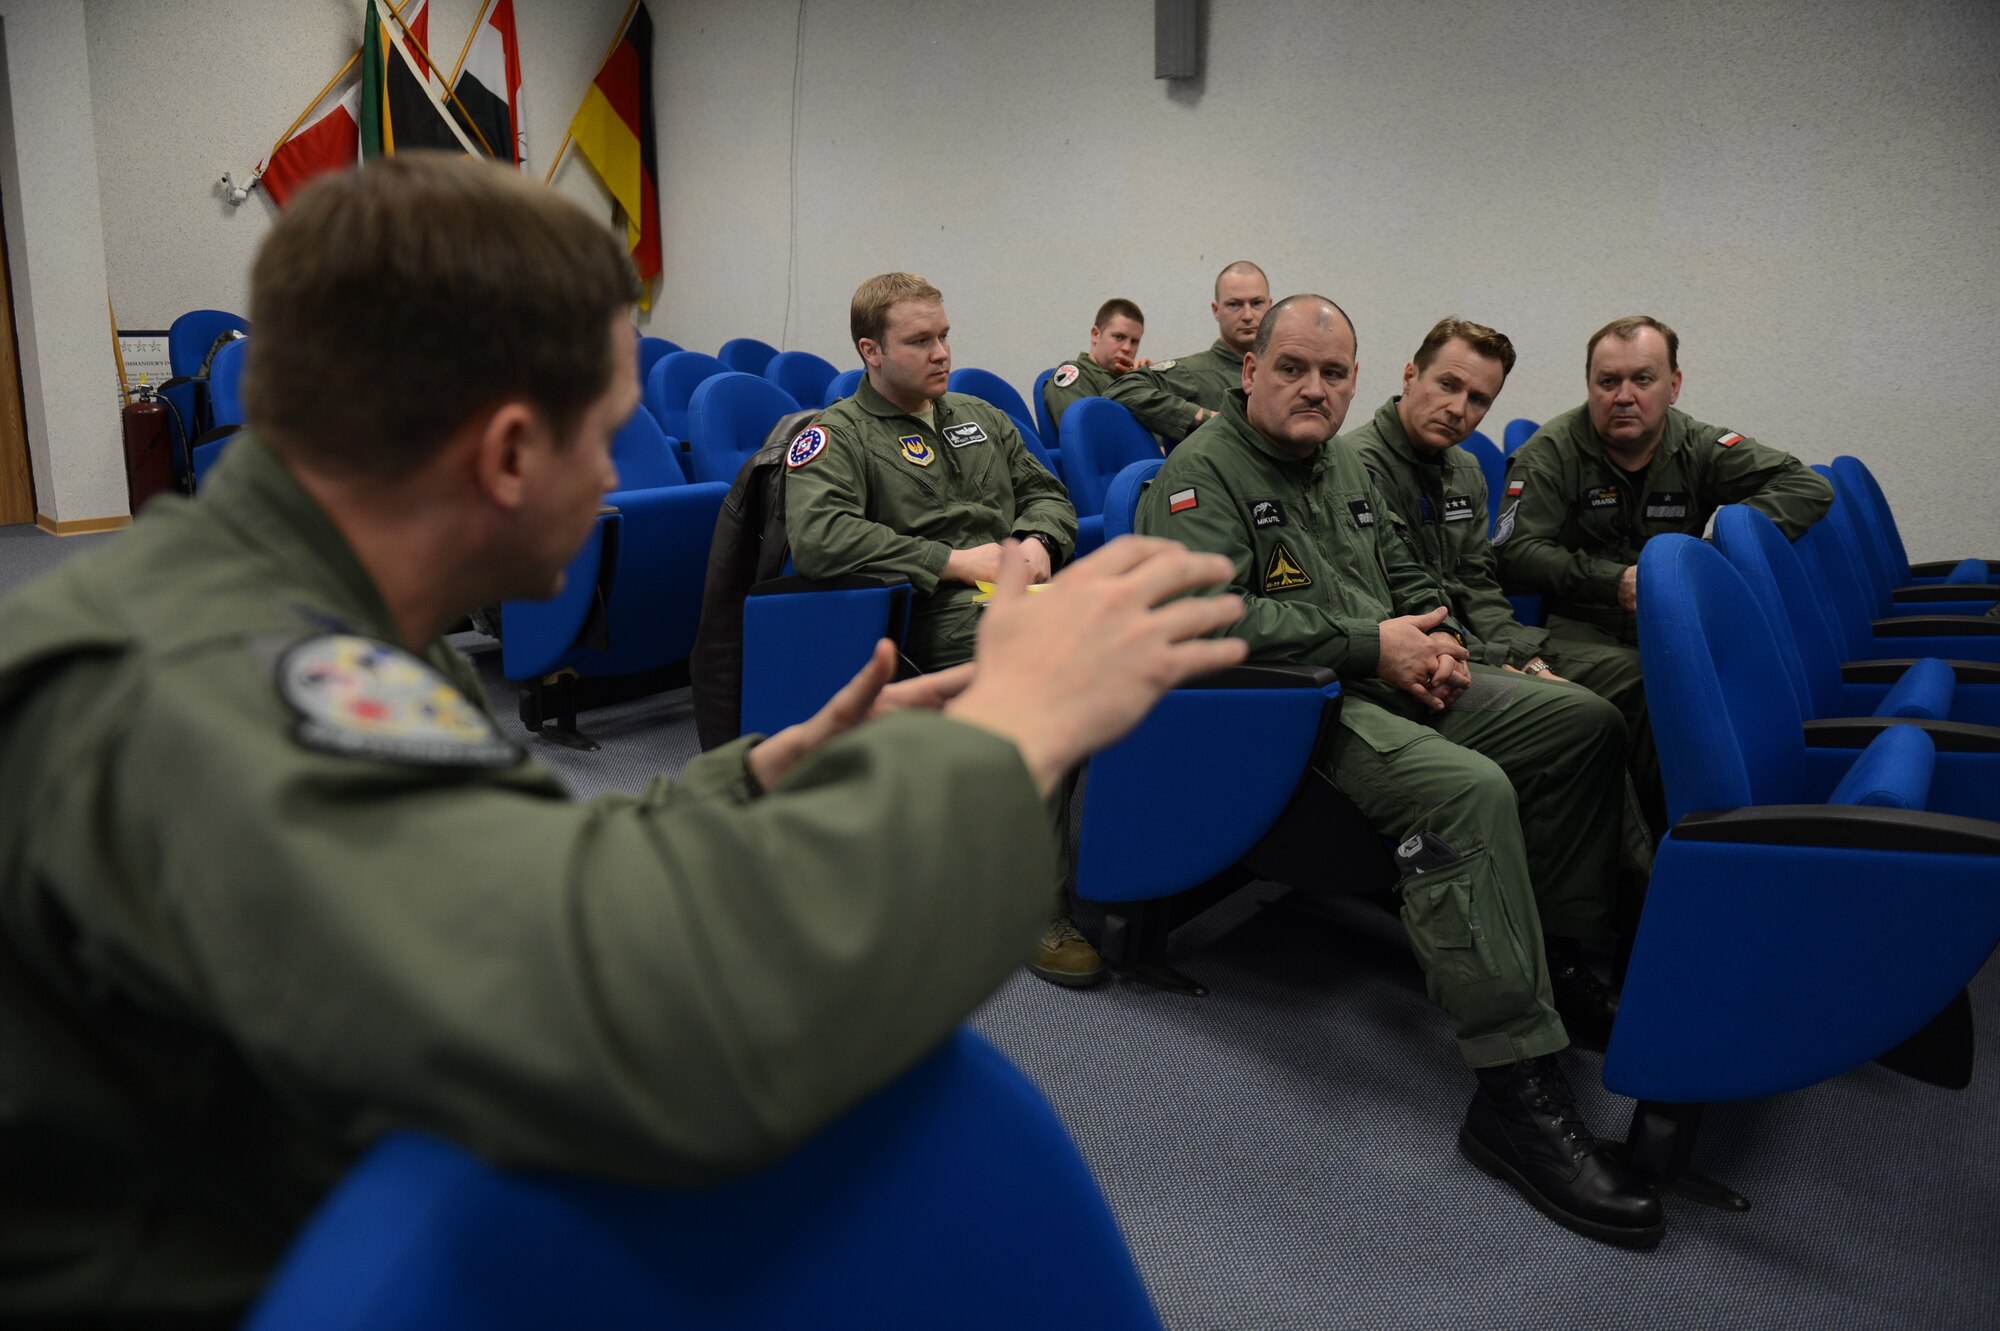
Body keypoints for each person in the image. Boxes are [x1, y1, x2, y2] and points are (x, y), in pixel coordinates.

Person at [0, 156, 1250, 1327]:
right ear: (504, 455)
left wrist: (757, 776)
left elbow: (493, 878)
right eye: (605, 436)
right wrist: (1015, 728)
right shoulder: (220, 686)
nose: (626, 467)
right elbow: (656, 1024)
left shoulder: (323, 609)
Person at [1134, 294, 1665, 1249]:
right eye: (1292, 366)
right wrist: (1369, 646)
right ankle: (1512, 1095)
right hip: (1296, 713)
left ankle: (1558, 958)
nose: (1314, 387)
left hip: (1386, 673)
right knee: (1468, 791)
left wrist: (1442, 640)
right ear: (1249, 370)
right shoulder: (1197, 474)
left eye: (1333, 373)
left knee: (1583, 724)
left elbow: (1407, 575)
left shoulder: (1346, 465)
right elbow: (1198, 622)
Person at [783, 273, 1103, 987]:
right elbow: (820, 537)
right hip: (928, 617)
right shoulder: (836, 436)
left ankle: (1132, 869)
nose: (941, 353)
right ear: (871, 350)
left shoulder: (980, 416)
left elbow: (1048, 493)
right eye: (919, 340)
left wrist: (1041, 544)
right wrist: (952, 561)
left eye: (945, 335)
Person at [1342, 317, 1663, 838]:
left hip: (1489, 644)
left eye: (1478, 399)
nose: (1458, 409)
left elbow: (1479, 585)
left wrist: (1524, 655)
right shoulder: (1355, 468)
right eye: (1448, 385)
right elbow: (1399, 608)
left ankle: (1655, 852)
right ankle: (1623, 883)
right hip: (1427, 665)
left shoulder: (1464, 469)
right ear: (1409, 376)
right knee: (1584, 716)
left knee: (1642, 681)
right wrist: (1516, 665)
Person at [1496, 314, 1832, 648]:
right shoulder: (1550, 452)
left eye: (1642, 380)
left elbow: (1806, 486)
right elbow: (1515, 552)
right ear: (1589, 386)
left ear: (1673, 386)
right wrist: (1615, 582)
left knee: (1759, 664)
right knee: (1675, 687)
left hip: (1678, 617)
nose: (1624, 396)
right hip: (1583, 629)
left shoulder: (1696, 445)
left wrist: (1707, 555)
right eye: (1608, 382)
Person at [1106, 260, 1270, 444]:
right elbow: (1122, 389)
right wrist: (1207, 418)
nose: (1248, 315)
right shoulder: (1194, 372)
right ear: (1216, 310)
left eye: (1257, 303)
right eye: (1234, 305)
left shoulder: (1284, 372)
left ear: (1270, 305)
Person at [1042, 297, 1146, 433]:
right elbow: (1092, 435)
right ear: (1096, 334)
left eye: (1134, 342)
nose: (1127, 348)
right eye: (1119, 337)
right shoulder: (1073, 375)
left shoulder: (1133, 380)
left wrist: (1150, 383)